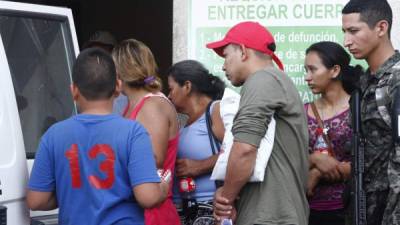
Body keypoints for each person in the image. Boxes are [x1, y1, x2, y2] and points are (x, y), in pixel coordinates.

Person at [26, 48, 170, 225]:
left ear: (74, 91)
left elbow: (36, 200)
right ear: (117, 86)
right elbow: (148, 197)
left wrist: (73, 192)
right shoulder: (133, 133)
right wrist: (163, 188)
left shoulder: (53, 135)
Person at [206, 21, 309, 225]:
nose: (223, 65)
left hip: (270, 217)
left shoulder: (262, 79)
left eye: (226, 56)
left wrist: (225, 198)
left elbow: (244, 148)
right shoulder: (274, 80)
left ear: (243, 51)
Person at [342, 0, 400, 224]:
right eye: (345, 32)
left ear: (381, 28)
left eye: (354, 31)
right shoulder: (365, 82)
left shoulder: (395, 80)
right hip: (363, 209)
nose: (347, 41)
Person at [112, 39, 181, 225]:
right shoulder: (130, 105)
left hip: (153, 214)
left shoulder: (152, 105)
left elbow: (153, 159)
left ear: (120, 71)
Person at [304, 41, 362, 225]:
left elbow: (373, 159)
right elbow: (287, 158)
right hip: (307, 211)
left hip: (349, 210)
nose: (307, 77)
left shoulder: (359, 109)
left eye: (313, 70)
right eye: (306, 70)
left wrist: (319, 173)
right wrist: (314, 159)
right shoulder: (302, 112)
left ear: (335, 70)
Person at [167, 60, 225, 224]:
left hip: (208, 208)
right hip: (182, 207)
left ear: (187, 86)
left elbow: (238, 152)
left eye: (171, 89)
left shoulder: (216, 110)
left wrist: (199, 166)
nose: (169, 96)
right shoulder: (181, 120)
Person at [82, 30, 128, 115]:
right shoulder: (83, 88)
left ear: (113, 54)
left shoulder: (124, 90)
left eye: (101, 52)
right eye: (92, 53)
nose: (96, 58)